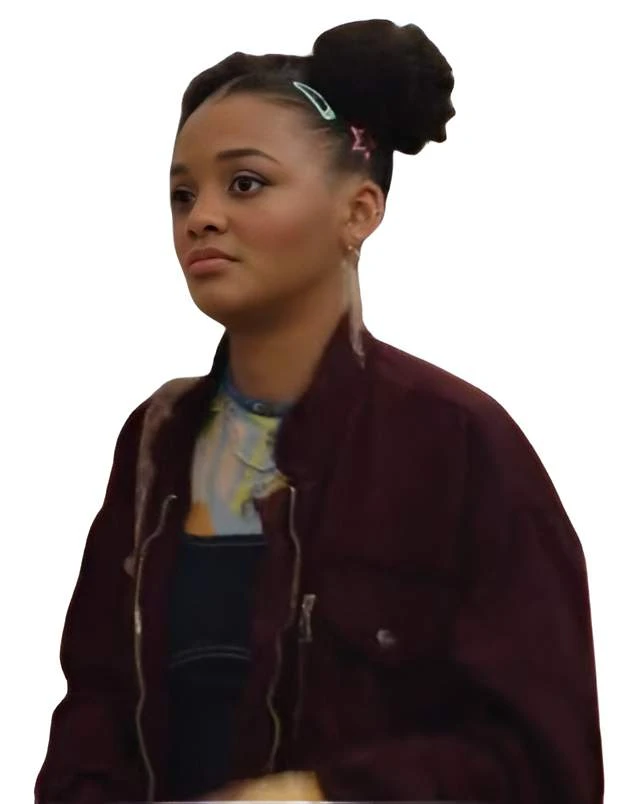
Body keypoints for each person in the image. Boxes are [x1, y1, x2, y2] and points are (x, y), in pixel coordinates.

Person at [35, 17, 604, 804]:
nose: (200, 216)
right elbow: (93, 717)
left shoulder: (459, 444)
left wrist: (316, 795)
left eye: (245, 183)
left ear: (359, 211)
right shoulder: (155, 442)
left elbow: (546, 762)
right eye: (181, 194)